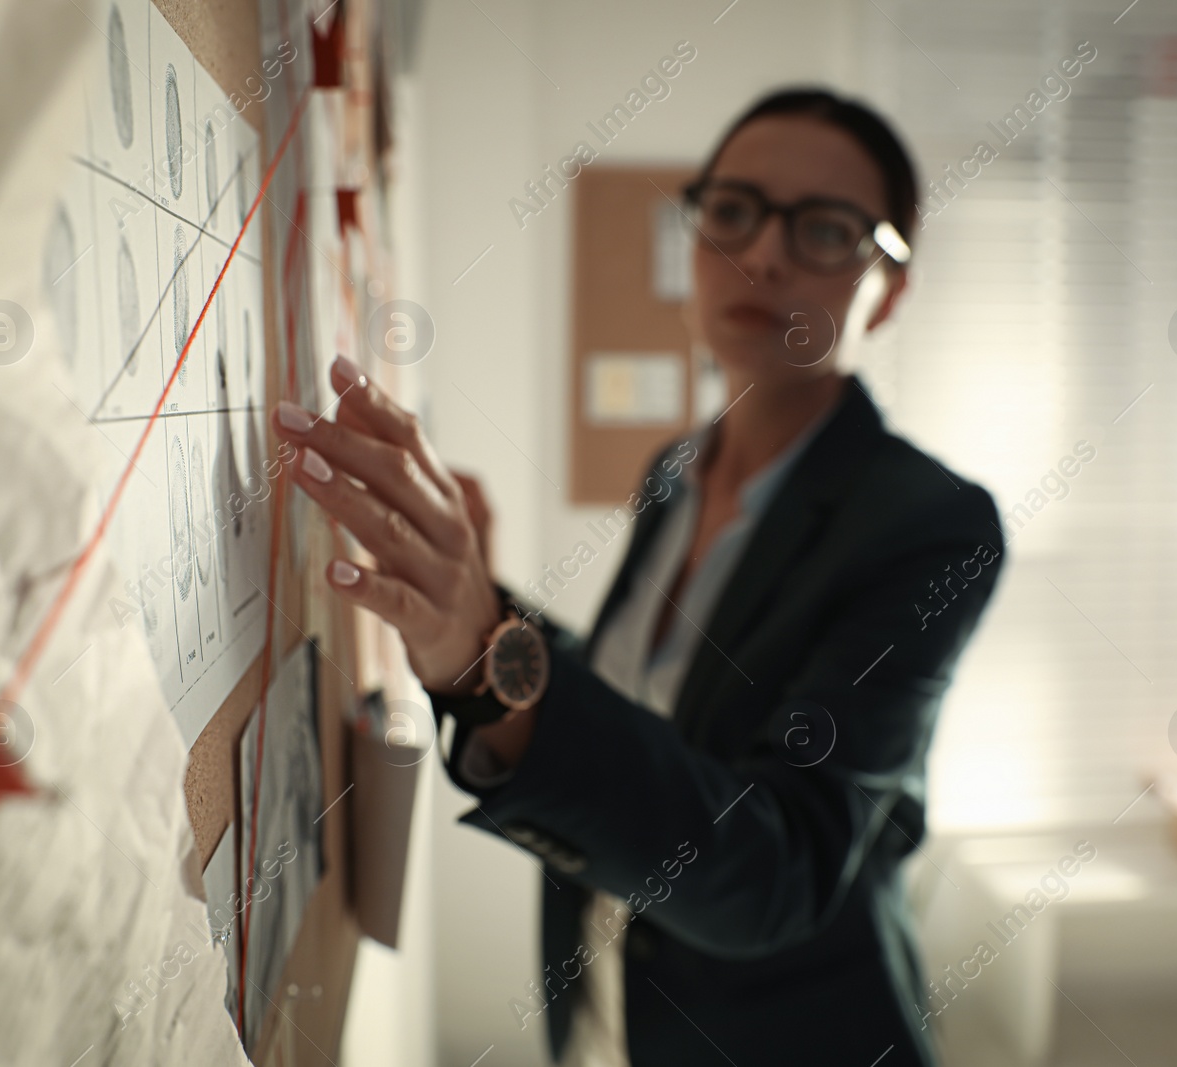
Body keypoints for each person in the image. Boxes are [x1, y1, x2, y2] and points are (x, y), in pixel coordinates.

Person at [274, 87, 1004, 1067]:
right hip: (611, 1008)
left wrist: (488, 663)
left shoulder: (930, 524)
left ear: (892, 286)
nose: (766, 252)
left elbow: (774, 868)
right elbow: (637, 706)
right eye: (735, 208)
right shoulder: (674, 472)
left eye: (826, 228)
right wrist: (484, 603)